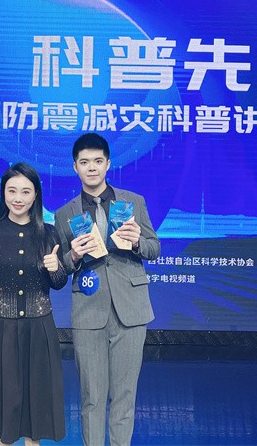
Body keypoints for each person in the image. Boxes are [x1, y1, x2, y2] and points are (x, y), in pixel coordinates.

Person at [54, 133, 160, 446]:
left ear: (108, 164)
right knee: (92, 395)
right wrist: (73, 256)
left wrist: (137, 242)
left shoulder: (133, 202)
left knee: (125, 394)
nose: (92, 168)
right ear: (75, 167)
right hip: (89, 309)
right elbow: (61, 266)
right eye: (85, 162)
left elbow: (154, 248)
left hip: (131, 306)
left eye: (98, 161)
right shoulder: (65, 213)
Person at [0, 162, 68, 445]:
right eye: (12, 191)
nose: (18, 198)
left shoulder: (49, 233)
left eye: (25, 191)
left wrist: (55, 268)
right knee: (4, 409)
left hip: (38, 329)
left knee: (36, 408)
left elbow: (59, 282)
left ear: (36, 195)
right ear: (4, 193)